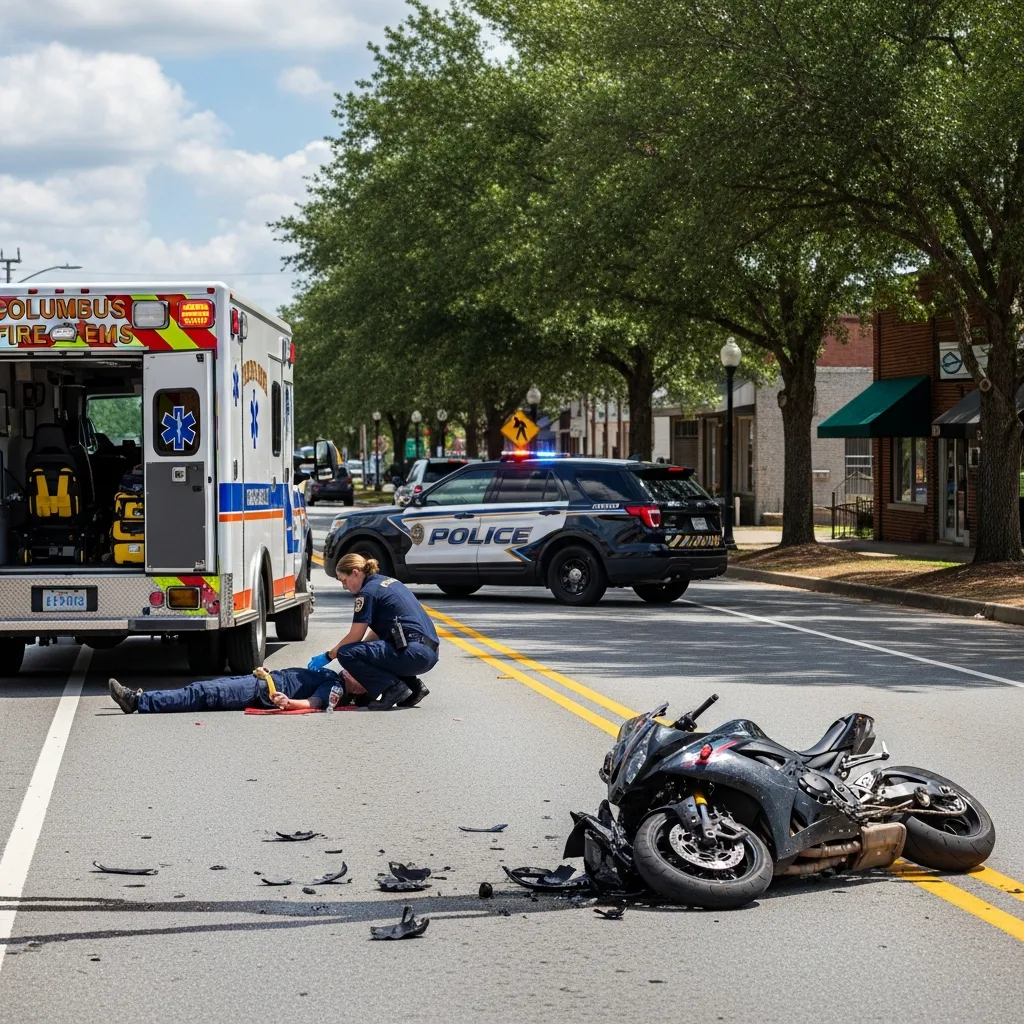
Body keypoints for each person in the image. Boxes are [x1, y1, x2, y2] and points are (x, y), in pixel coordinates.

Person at [307, 552, 438, 709]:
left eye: (344, 580)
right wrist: (363, 655)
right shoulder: (388, 582)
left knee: (345, 653)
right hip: (428, 653)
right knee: (365, 651)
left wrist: (329, 656)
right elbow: (378, 633)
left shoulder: (367, 593)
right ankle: (414, 688)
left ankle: (392, 688)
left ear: (355, 572)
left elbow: (355, 636)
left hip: (413, 653)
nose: (344, 586)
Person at [107, 666, 340, 715]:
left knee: (200, 693)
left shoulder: (336, 686)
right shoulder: (334, 677)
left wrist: (288, 703)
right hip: (259, 681)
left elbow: (315, 703)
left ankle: (137, 701)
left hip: (258, 691)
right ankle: (141, 700)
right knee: (201, 690)